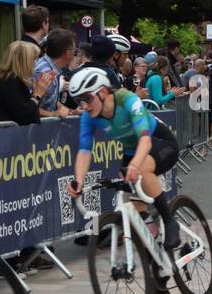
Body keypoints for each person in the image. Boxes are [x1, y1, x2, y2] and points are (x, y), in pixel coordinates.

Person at [65, 67, 183, 273]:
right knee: (128, 196)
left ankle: (169, 220)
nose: (83, 106)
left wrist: (136, 166)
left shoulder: (126, 99)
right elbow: (84, 151)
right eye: (77, 101)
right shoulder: (89, 116)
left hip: (159, 141)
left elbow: (145, 140)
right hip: (132, 150)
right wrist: (79, 181)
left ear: (102, 92)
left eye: (85, 98)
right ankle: (154, 252)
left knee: (141, 169)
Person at [0, 40, 42, 126]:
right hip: (5, 135)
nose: (35, 63)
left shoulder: (9, 79)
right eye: (33, 59)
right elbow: (23, 113)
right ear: (24, 61)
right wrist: (37, 95)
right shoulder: (11, 81)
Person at [34, 28, 76, 118]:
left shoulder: (50, 67)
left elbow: (49, 99)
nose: (75, 53)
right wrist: (53, 114)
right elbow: (28, 106)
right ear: (68, 53)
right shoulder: (43, 71)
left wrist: (71, 112)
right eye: (74, 50)